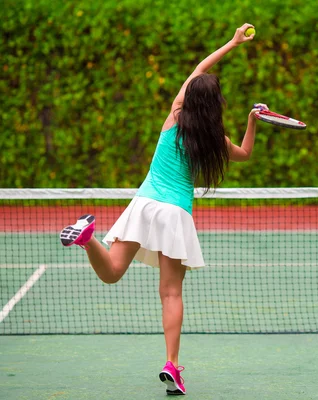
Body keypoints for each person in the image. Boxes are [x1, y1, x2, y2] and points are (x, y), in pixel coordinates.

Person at [59, 23, 264, 396]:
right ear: (216, 106)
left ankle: (88, 240)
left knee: (112, 274)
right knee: (171, 293)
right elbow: (246, 155)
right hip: (174, 215)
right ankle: (171, 363)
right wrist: (252, 121)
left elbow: (199, 70)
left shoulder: (174, 117)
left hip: (143, 204)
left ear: (190, 99)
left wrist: (232, 43)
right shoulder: (215, 140)